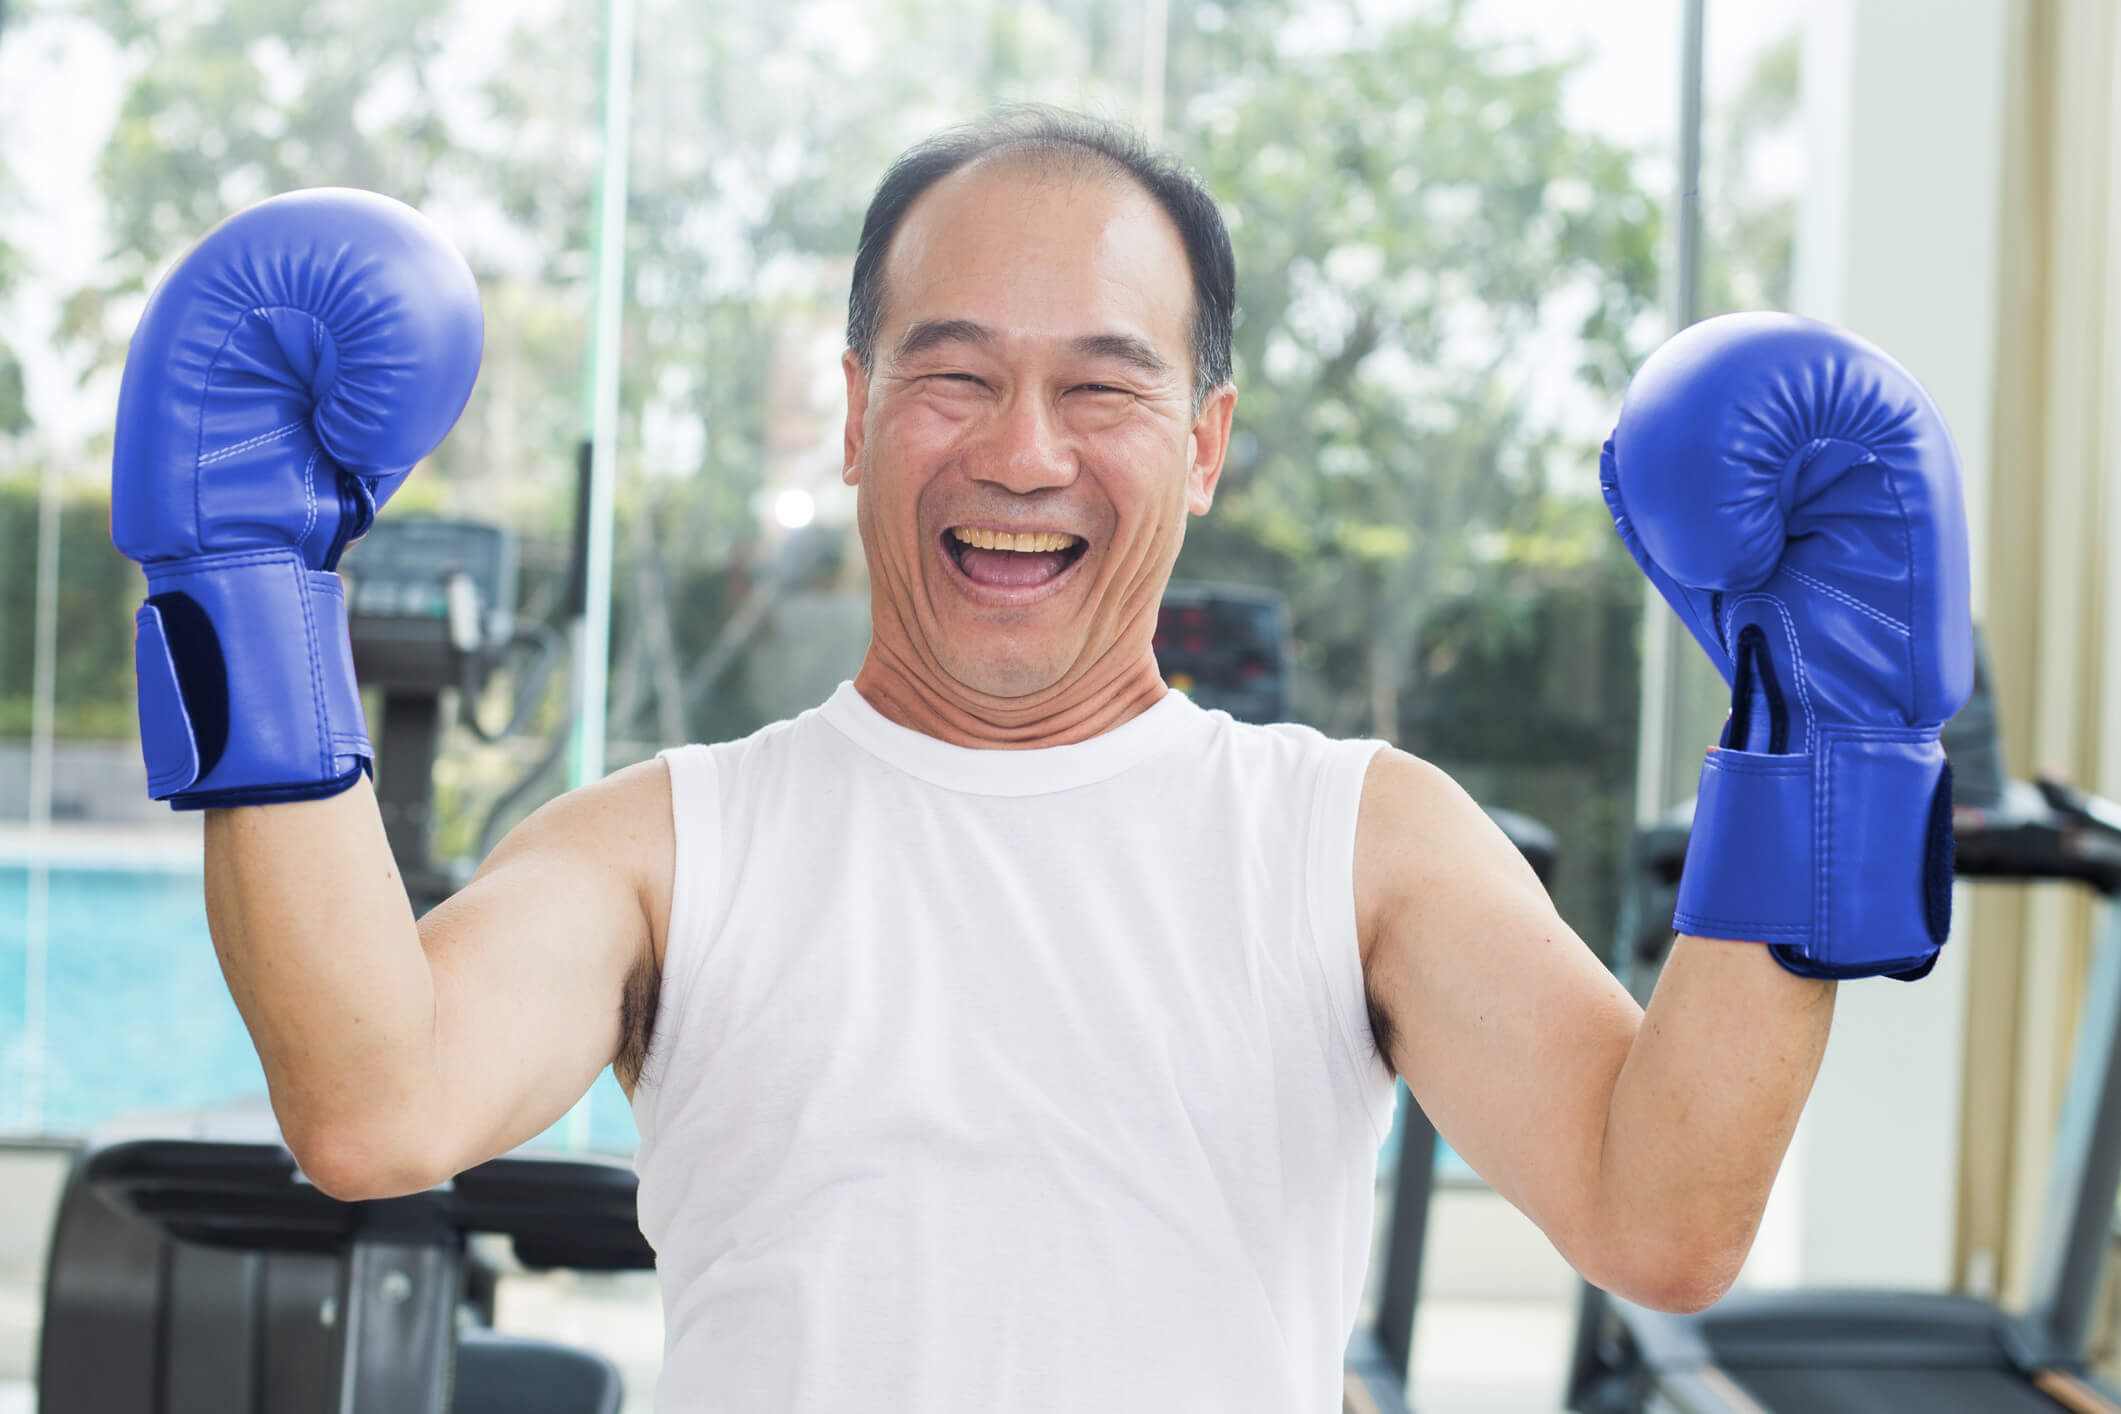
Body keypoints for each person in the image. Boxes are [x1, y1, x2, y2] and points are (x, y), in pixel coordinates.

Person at [110, 107, 1968, 1412]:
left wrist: (1836, 737)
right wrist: (248, 587)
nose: (1020, 452)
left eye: (1102, 386)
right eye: (951, 375)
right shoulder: (674, 842)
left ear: (1208, 439)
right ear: (850, 416)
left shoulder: (1356, 837)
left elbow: (1662, 1213)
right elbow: (372, 1107)